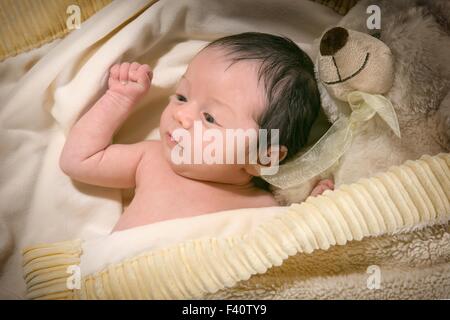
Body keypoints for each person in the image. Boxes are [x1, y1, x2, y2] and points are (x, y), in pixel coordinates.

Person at [59, 32, 334, 232]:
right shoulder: (152, 160)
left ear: (263, 156)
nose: (182, 115)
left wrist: (317, 210)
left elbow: (294, 249)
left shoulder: (264, 208)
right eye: (181, 96)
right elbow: (79, 160)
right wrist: (117, 99)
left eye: (210, 117)